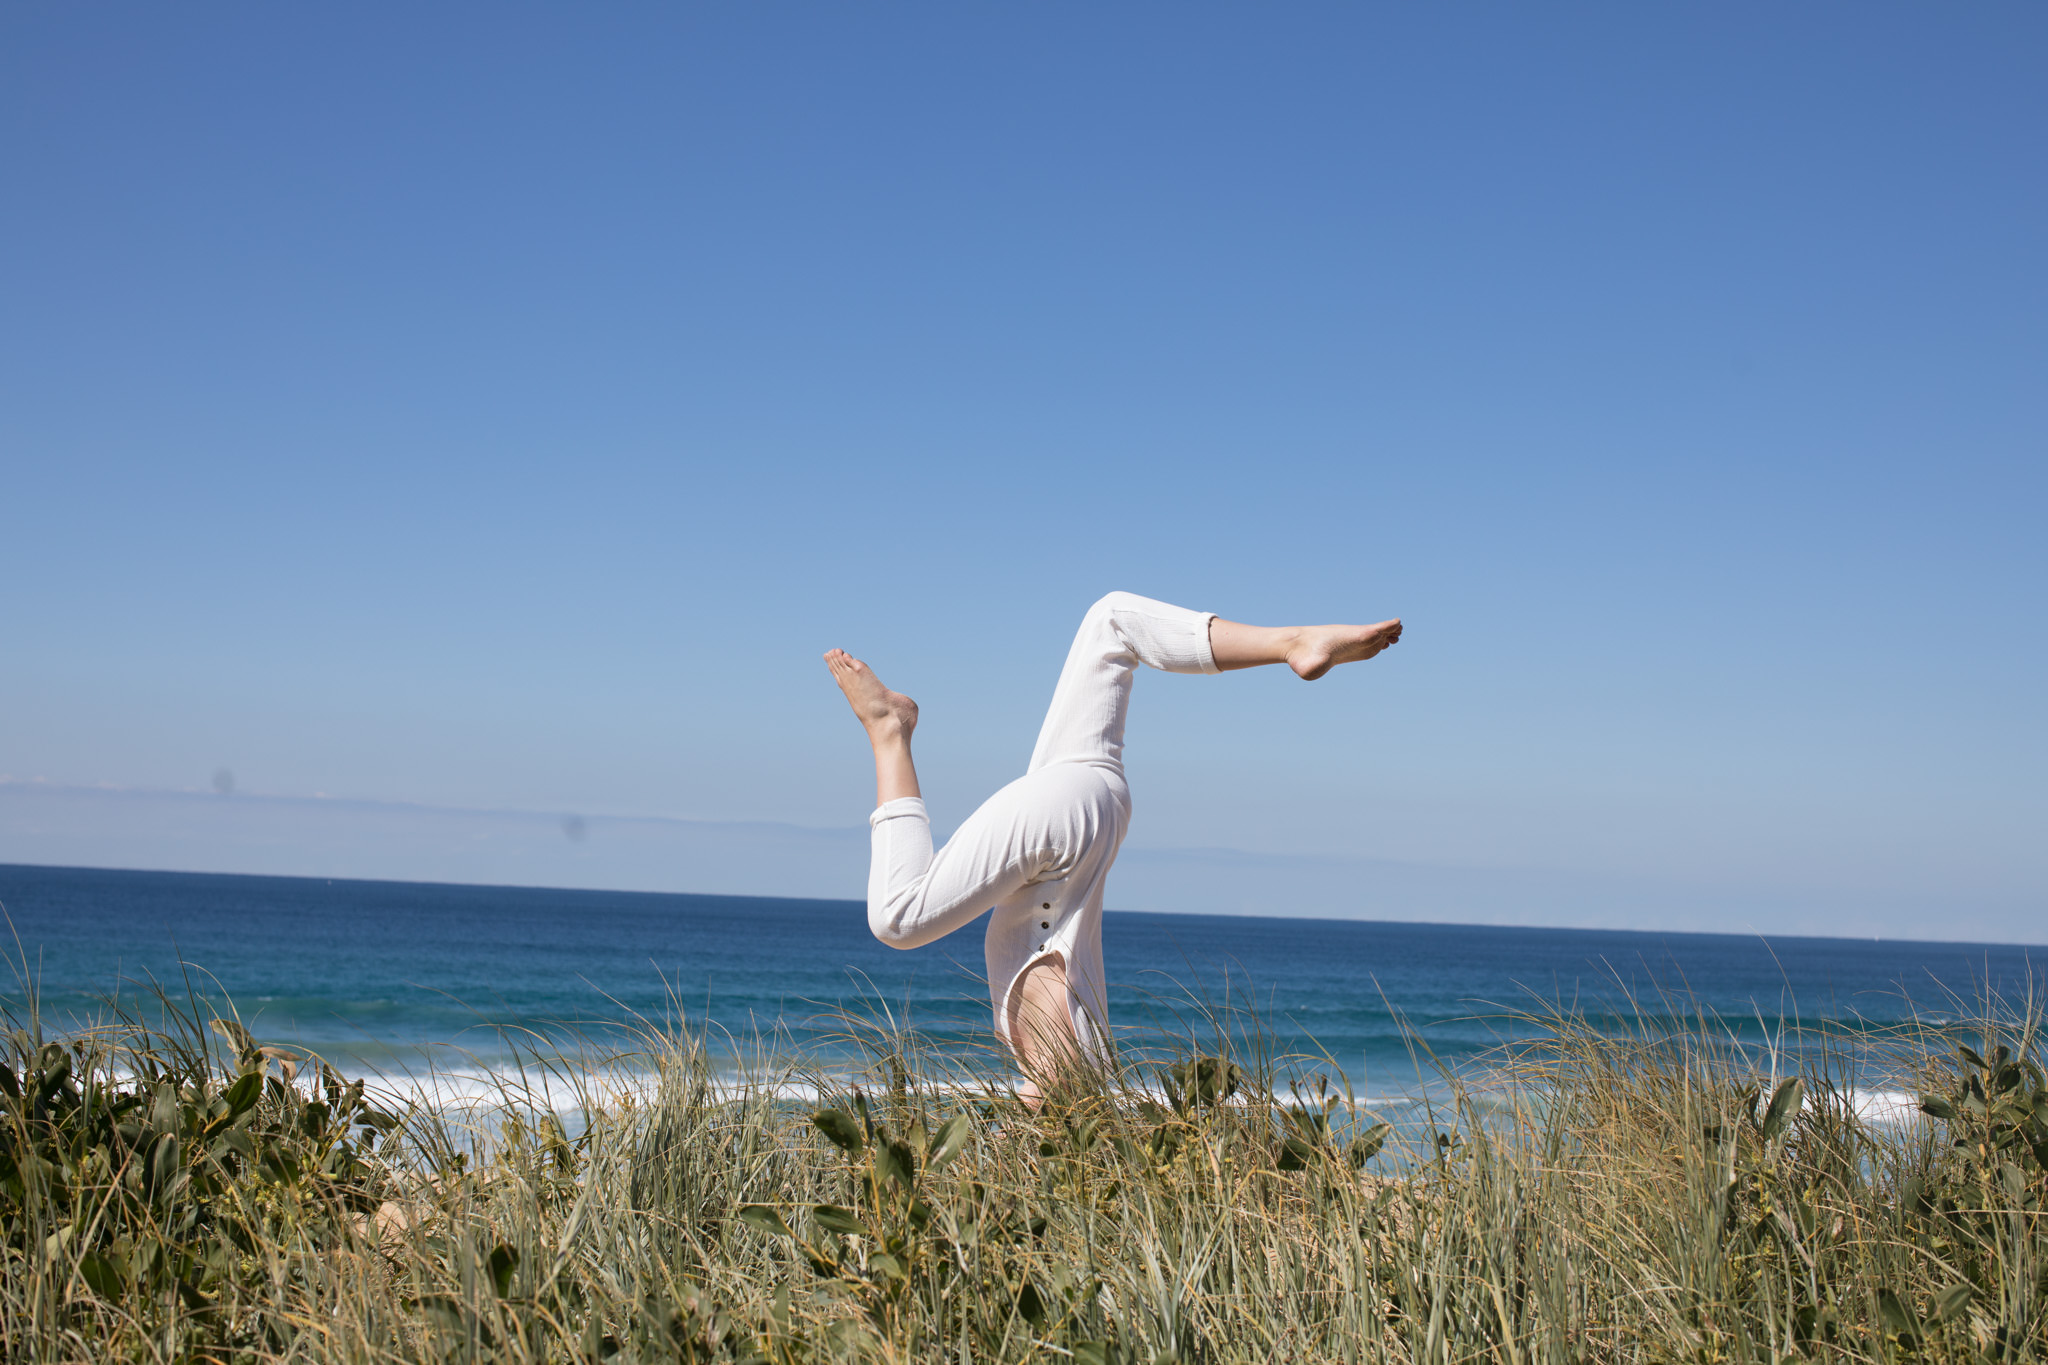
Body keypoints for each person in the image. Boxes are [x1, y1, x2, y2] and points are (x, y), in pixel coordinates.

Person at [825, 592, 1402, 1104]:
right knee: (898, 916)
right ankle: (890, 730)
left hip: (1086, 800)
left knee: (1112, 623)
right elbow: (1046, 1115)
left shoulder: (1069, 1077)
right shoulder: (1070, 1086)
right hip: (1076, 810)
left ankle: (1293, 642)